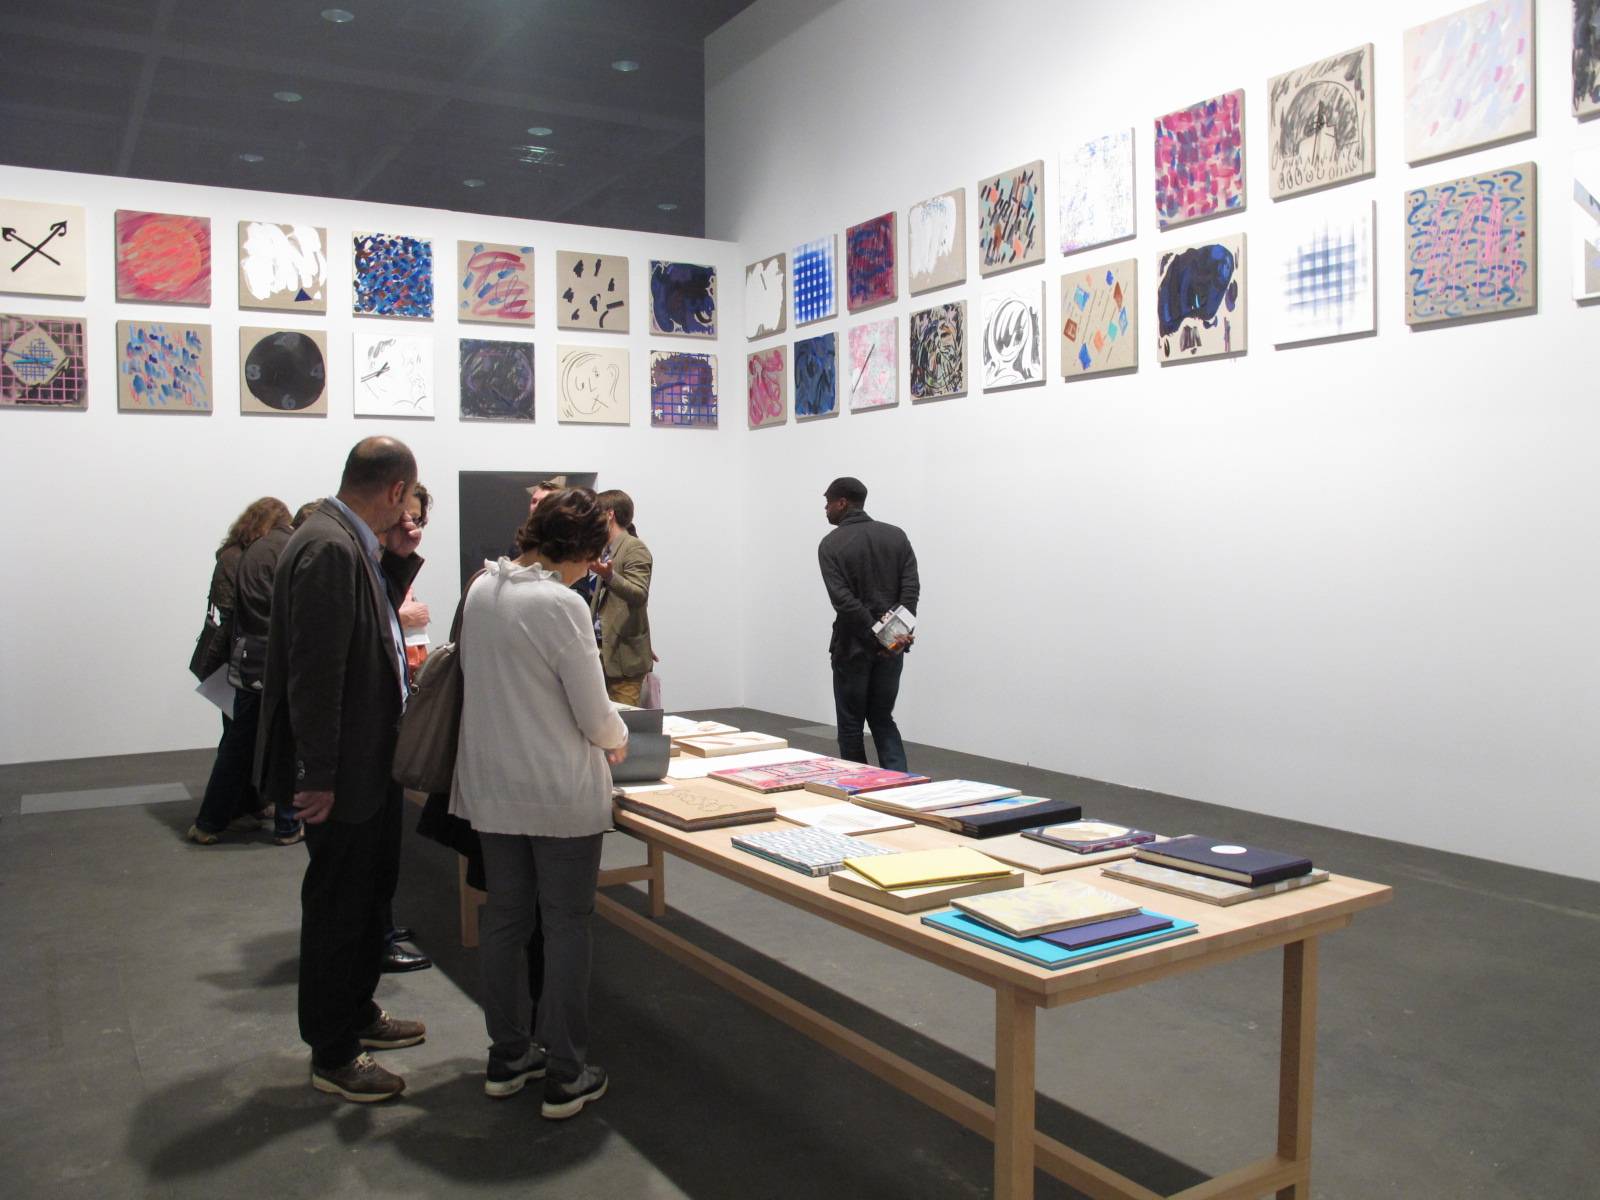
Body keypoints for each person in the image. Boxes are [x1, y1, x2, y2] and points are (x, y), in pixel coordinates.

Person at [254, 436, 427, 1104]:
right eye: (409, 500)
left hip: (366, 761)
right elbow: (316, 674)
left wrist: (399, 561)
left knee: (368, 895)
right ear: (395, 490)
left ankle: (356, 1013)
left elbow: (370, 626)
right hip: (345, 770)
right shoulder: (328, 546)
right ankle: (333, 1050)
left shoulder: (344, 538)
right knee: (340, 907)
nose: (409, 512)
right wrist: (317, 775)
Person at [452, 487, 629, 1120]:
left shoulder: (482, 589)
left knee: (505, 921)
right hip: (557, 794)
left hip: (492, 788)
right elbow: (594, 713)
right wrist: (619, 737)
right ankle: (566, 1070)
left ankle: (508, 1056)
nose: (592, 568)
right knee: (566, 925)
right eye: (591, 556)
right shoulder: (561, 604)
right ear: (576, 548)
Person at [187, 497, 292, 844]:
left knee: (239, 738)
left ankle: (241, 807)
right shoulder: (243, 558)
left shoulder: (236, 556)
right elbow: (234, 612)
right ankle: (214, 818)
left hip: (241, 659)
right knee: (240, 740)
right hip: (245, 660)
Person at [817, 476, 920, 772]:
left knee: (851, 725)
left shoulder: (831, 544)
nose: (825, 509)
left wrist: (877, 634)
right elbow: (910, 589)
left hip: (852, 647)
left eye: (827, 503)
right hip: (892, 648)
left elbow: (843, 600)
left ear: (842, 503)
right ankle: (900, 783)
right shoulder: (896, 536)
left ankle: (859, 787)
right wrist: (894, 636)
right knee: (882, 718)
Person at [383, 481, 435, 975]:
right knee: (365, 853)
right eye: (403, 515)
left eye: (416, 519)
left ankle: (380, 926)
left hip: (392, 713)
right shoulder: (347, 557)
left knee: (383, 844)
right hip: (365, 739)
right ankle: (375, 938)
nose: (410, 526)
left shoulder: (389, 561)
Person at [589, 489, 653, 706]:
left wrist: (609, 576)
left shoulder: (634, 548)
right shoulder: (603, 551)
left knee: (625, 722)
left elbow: (639, 594)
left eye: (595, 513)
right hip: (601, 656)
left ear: (610, 514)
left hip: (624, 660)